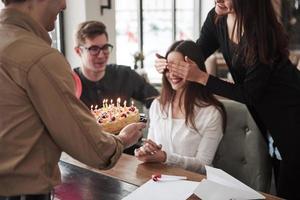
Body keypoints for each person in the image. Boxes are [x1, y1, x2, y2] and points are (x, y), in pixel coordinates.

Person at [0, 0, 145, 199]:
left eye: (105, 48)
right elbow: (96, 151)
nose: (65, 4)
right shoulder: (40, 58)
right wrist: (123, 138)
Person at [155, 0, 300, 198]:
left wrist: (201, 77)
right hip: (266, 115)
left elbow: (248, 94)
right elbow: (195, 55)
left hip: (292, 113)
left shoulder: (263, 34)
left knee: (290, 186)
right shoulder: (217, 19)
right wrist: (169, 64)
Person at [135, 40, 226, 174]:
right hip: (159, 180)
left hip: (194, 183)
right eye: (169, 67)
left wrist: (166, 157)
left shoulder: (211, 113)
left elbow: (203, 165)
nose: (172, 74)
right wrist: (145, 152)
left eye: (179, 68)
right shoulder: (157, 106)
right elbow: (152, 147)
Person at [73, 20, 159, 110]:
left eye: (105, 47)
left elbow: (156, 101)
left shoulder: (124, 75)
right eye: (94, 49)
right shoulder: (70, 82)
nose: (101, 55)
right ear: (79, 51)